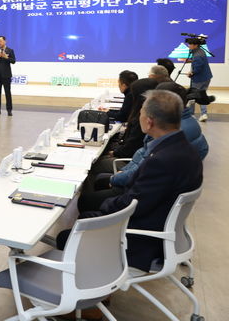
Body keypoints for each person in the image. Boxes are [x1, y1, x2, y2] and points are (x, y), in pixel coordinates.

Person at [67, 90, 203, 273]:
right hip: (160, 224)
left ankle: (97, 282)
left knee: (68, 235)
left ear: (149, 121)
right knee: (88, 215)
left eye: (141, 113)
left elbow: (132, 204)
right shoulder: (186, 149)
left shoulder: (162, 160)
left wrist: (103, 208)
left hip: (142, 239)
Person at [80, 82, 208, 212]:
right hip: (159, 205)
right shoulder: (181, 142)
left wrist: (110, 193)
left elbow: (134, 200)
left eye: (141, 113)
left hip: (141, 220)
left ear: (149, 122)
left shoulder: (159, 159)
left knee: (85, 203)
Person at [187, 39, 212, 122]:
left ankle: (191, 115)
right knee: (202, 95)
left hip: (199, 79)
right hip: (206, 77)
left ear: (195, 45)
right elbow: (201, 62)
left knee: (192, 96)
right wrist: (191, 60)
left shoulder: (197, 55)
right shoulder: (201, 51)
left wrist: (191, 73)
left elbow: (198, 68)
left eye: (190, 44)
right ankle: (204, 114)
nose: (188, 46)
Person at [0, 35, 15, 116]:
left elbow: (13, 61)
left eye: (0, 41)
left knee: (7, 93)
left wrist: (6, 57)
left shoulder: (10, 50)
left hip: (7, 75)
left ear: (5, 41)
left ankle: (9, 110)